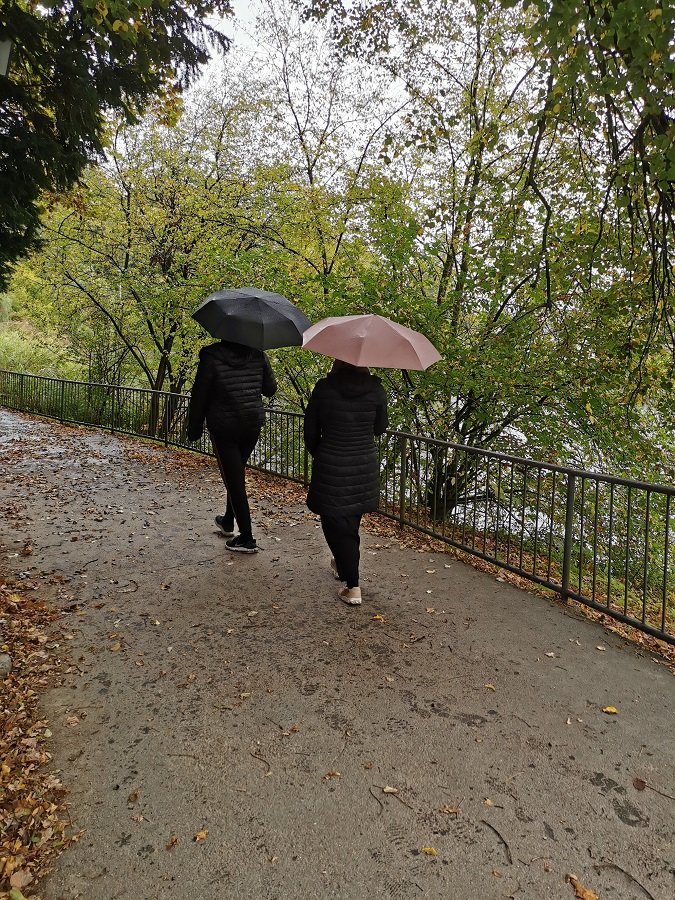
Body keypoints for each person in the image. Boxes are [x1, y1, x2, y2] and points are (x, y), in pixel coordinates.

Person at [304, 359, 389, 605]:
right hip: (363, 464)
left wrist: (321, 453)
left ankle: (352, 586)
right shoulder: (376, 389)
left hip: (332, 463)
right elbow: (380, 428)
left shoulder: (324, 388)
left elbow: (310, 431)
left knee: (333, 522)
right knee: (350, 523)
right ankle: (342, 563)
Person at [186, 339, 277, 552]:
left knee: (234, 480)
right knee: (235, 474)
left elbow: (200, 394)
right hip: (251, 424)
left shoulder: (211, 355)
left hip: (224, 427)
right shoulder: (257, 354)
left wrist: (194, 427)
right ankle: (228, 520)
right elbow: (270, 389)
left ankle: (246, 538)